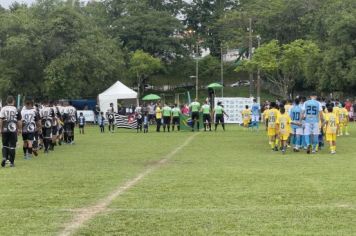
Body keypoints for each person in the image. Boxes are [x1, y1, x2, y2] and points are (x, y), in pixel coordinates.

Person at [0, 96, 22, 167]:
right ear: (13, 101)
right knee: (12, 146)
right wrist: (19, 129)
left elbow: (1, 120)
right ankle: (11, 163)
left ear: (6, 101)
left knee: (5, 145)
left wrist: (0, 129)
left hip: (5, 129)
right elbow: (19, 121)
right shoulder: (16, 109)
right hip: (13, 129)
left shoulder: (3, 109)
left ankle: (4, 158)